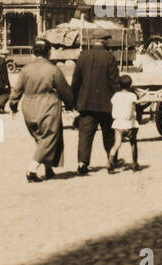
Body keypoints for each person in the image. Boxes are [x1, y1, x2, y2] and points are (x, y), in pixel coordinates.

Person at [9, 38, 74, 182]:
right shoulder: (53, 69)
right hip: (48, 105)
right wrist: (70, 104)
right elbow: (65, 91)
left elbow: (16, 91)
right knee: (50, 136)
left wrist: (13, 105)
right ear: (49, 53)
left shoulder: (26, 70)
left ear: (34, 53)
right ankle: (32, 169)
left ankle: (48, 168)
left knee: (40, 138)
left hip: (28, 107)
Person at [70, 33, 119, 174]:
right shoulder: (109, 56)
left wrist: (73, 101)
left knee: (85, 135)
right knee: (109, 134)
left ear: (93, 42)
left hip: (86, 104)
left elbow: (76, 81)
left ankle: (82, 163)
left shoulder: (83, 56)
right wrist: (117, 99)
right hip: (106, 103)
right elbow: (114, 81)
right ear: (104, 42)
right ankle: (111, 160)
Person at [108, 74, 141, 173]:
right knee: (133, 143)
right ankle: (134, 163)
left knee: (117, 144)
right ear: (130, 85)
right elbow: (131, 106)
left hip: (118, 123)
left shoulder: (116, 95)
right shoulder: (132, 95)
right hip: (129, 123)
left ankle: (110, 164)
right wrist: (130, 116)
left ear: (119, 85)